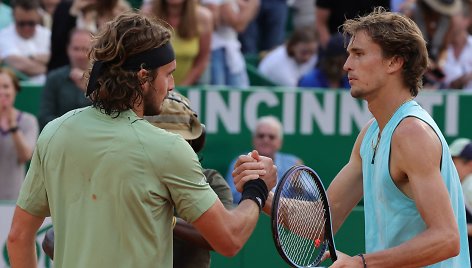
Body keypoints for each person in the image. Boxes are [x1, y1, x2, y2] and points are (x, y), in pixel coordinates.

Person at [7, 12, 276, 268]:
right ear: (143, 77)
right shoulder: (169, 149)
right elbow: (229, 240)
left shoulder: (55, 132)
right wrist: (256, 190)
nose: (171, 86)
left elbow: (18, 237)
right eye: (168, 74)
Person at [236, 8, 471, 267]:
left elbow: (447, 238)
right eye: (349, 54)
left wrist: (361, 263)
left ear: (394, 62)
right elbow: (320, 223)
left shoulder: (411, 133)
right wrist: (260, 192)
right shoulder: (370, 134)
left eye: (358, 54)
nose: (347, 64)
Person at [41, 92, 233, 268]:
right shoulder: (115, 177)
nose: (172, 149)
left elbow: (219, 237)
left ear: (193, 142)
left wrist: (164, 220)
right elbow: (51, 239)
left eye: (178, 140)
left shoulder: (210, 181)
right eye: (163, 139)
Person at [226, 115, 302, 203]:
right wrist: (250, 188)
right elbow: (231, 198)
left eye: (271, 137)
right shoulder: (242, 161)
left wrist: (298, 187)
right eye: (261, 136)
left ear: (280, 142)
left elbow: (313, 199)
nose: (266, 140)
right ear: (254, 140)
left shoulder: (293, 163)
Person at [141, 0, 213, 86]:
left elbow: (202, 59)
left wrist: (182, 87)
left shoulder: (203, 17)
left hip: (188, 87)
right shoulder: (147, 15)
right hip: (153, 85)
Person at [38, 28, 92, 130]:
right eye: (76, 49)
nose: (80, 55)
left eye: (85, 49)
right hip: (61, 137)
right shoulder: (54, 78)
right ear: (68, 49)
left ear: (94, 50)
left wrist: (87, 85)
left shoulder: (104, 79)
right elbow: (44, 117)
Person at [0, 67, 39, 200]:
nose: (1, 91)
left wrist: (13, 127)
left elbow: (26, 155)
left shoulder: (28, 121)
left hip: (14, 197)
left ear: (15, 90)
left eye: (5, 86)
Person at [0, 0, 51, 83]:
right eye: (21, 23)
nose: (26, 28)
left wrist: (30, 57)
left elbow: (58, 58)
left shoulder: (48, 35)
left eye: (31, 23)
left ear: (38, 18)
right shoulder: (3, 36)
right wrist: (49, 67)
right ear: (14, 17)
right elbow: (19, 65)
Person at [449, 138, 472, 263]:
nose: (450, 166)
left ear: (470, 165)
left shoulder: (470, 185)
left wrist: (460, 228)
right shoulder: (464, 184)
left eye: (454, 162)